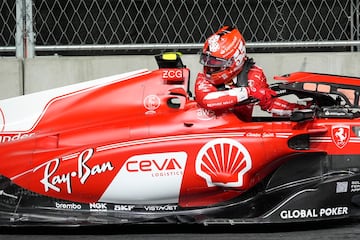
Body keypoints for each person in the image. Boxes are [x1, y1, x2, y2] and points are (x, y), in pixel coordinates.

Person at [195, 26, 304, 121]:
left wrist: (300, 111)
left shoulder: (254, 75)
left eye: (216, 64)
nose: (210, 69)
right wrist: (248, 92)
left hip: (239, 135)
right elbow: (207, 100)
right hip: (206, 131)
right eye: (207, 62)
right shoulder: (203, 78)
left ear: (236, 60)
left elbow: (269, 103)